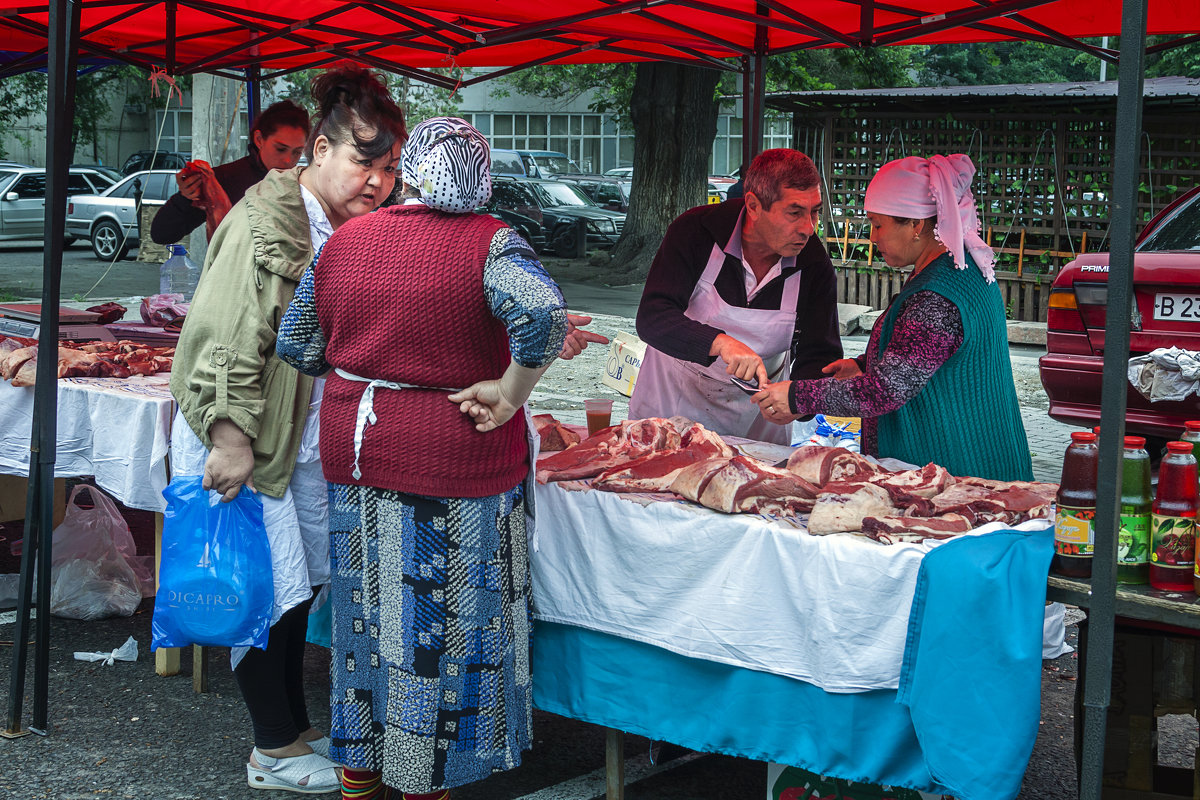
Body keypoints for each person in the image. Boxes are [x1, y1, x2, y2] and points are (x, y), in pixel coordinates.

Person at [275, 117, 589, 800]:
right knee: (442, 631)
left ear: (409, 169)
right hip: (455, 459)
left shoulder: (347, 241)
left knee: (367, 618)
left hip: (359, 452)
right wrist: (508, 393)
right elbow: (542, 317)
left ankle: (361, 770)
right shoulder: (492, 243)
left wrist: (368, 356)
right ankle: (426, 783)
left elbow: (297, 345)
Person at [168, 66, 407, 794]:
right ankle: (270, 749)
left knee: (294, 592)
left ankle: (293, 728)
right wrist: (230, 438)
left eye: (391, 167)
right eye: (366, 160)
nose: (378, 180)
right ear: (323, 148)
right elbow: (235, 338)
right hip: (246, 433)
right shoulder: (270, 218)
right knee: (258, 588)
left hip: (297, 435)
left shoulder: (339, 221)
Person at [752, 154, 1034, 482]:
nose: (872, 237)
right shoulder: (961, 268)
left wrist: (796, 396)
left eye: (877, 224)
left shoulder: (937, 296)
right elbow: (924, 356)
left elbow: (883, 391)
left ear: (915, 225)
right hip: (977, 463)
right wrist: (863, 364)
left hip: (959, 474)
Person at [628, 148, 842, 444]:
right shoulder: (695, 232)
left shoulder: (814, 266)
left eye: (815, 212)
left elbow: (821, 354)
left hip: (757, 421)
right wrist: (721, 342)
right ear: (753, 205)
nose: (809, 228)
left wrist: (797, 401)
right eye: (795, 212)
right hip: (673, 405)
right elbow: (653, 317)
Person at [151, 99, 310, 244]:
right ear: (259, 139)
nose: (288, 160)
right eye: (280, 149)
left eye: (297, 152)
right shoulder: (224, 179)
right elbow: (161, 234)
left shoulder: (304, 184)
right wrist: (185, 198)